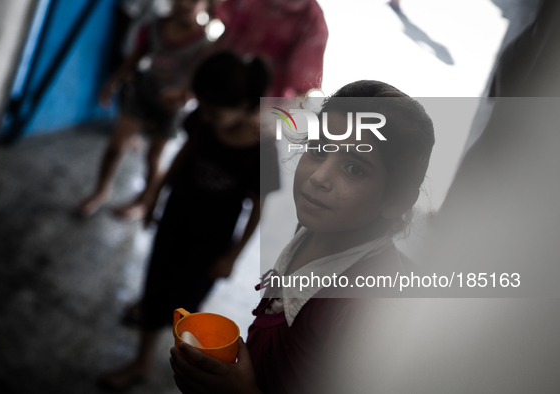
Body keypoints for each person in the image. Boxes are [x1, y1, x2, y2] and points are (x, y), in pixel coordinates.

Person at [169, 80, 435, 393]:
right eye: (319, 149)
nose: (318, 177)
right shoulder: (315, 226)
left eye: (354, 169)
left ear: (397, 200)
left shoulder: (366, 310)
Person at [98, 51, 280, 390]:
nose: (206, 118)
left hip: (211, 244)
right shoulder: (202, 120)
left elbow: (259, 208)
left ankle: (191, 373)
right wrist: (155, 193)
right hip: (174, 222)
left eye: (214, 112)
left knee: (186, 310)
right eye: (204, 109)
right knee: (153, 293)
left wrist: (232, 257)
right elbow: (184, 153)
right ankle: (140, 363)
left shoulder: (262, 150)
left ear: (243, 105)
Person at [78, 0, 211, 219]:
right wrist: (114, 82)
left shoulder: (204, 42)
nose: (186, 4)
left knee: (153, 157)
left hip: (173, 106)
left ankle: (145, 202)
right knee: (115, 145)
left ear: (205, 5)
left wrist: (183, 94)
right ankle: (101, 190)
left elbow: (199, 80)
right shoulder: (156, 26)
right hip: (144, 92)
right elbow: (137, 55)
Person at [214, 0, 328, 97]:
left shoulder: (312, 21)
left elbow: (301, 91)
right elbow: (225, 34)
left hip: (259, 110)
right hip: (215, 87)